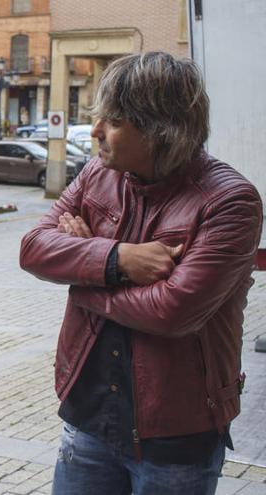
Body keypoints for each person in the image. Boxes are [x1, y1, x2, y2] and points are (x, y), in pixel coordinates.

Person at [19, 52, 263, 494]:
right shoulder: (97, 173)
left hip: (176, 434)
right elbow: (34, 248)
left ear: (159, 128)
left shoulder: (229, 201)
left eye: (111, 121)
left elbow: (173, 311)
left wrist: (83, 274)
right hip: (87, 419)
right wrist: (117, 259)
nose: (94, 132)